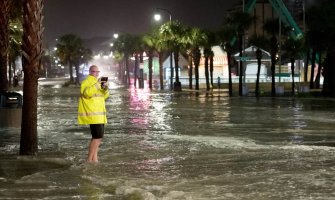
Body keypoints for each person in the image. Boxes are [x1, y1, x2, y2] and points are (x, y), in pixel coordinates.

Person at [78, 65, 109, 162]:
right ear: (90, 72)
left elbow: (104, 96)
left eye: (98, 72)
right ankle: (89, 160)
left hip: (100, 115)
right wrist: (97, 85)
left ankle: (94, 159)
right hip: (93, 115)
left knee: (98, 138)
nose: (97, 73)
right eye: (95, 71)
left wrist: (105, 89)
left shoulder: (98, 82)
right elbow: (86, 93)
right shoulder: (86, 82)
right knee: (97, 137)